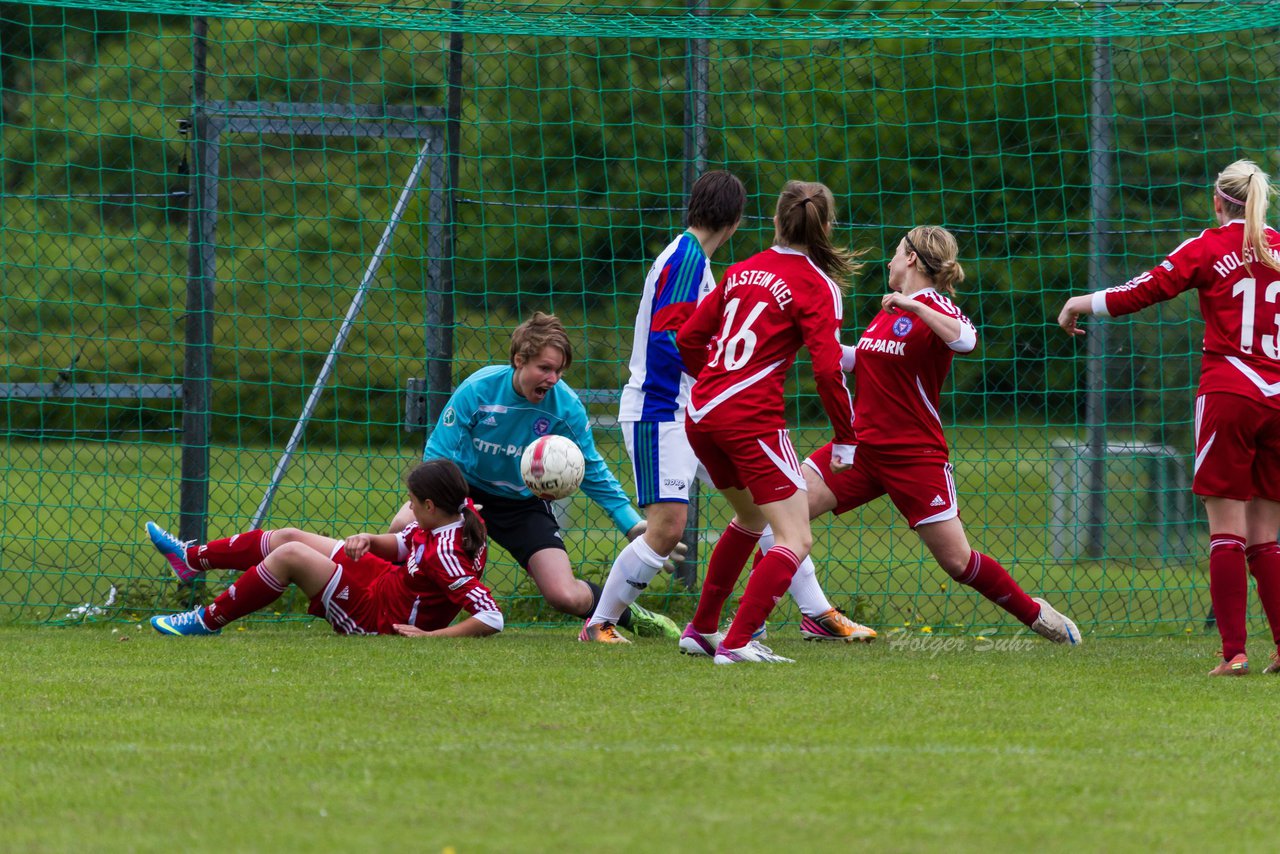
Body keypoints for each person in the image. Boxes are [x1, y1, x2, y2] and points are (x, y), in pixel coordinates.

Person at [584, 170, 874, 645]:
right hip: (663, 407)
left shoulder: (705, 262)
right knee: (668, 527)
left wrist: (717, 379)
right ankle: (599, 623)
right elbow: (670, 336)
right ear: (739, 220)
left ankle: (814, 612)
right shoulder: (687, 259)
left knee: (766, 510)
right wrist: (722, 378)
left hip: (699, 407)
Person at [763, 226, 1080, 647]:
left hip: (915, 457)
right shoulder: (890, 311)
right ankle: (770, 621)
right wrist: (813, 340)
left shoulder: (932, 308)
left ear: (911, 258)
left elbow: (966, 340)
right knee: (780, 517)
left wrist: (914, 307)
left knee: (958, 562)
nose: (889, 261)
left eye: (896, 252)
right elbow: (863, 360)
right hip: (860, 450)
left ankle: (1036, 614)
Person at [1058, 158, 1280, 675]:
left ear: (1217, 199)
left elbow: (1143, 289)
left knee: (1226, 531)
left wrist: (1079, 303)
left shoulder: (1206, 247)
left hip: (1231, 393)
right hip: (1278, 397)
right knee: (1267, 532)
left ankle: (1234, 654)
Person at [388, 311, 679, 639]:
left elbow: (591, 468)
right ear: (519, 360)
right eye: (545, 368)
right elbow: (437, 457)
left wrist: (631, 523)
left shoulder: (565, 407)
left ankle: (623, 613)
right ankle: (388, 610)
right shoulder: (479, 389)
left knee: (564, 595)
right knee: (402, 526)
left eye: (558, 370)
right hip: (463, 494)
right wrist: (456, 505)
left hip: (522, 505)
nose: (553, 378)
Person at [673, 180, 862, 665]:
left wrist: (714, 381)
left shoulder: (741, 269)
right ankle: (737, 643)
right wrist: (845, 437)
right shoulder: (819, 285)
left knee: (752, 518)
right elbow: (825, 369)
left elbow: (690, 337)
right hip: (749, 419)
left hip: (701, 413)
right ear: (825, 227)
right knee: (795, 538)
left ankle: (702, 630)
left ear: (776, 221)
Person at [146, 459, 503, 637]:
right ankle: (191, 560)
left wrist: (434, 638)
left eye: (411, 502)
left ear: (429, 505)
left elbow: (491, 616)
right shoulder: (458, 513)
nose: (407, 509)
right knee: (288, 536)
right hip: (384, 582)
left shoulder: (447, 553)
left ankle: (205, 621)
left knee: (289, 557)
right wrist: (369, 539)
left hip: (377, 618)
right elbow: (402, 546)